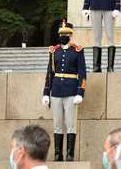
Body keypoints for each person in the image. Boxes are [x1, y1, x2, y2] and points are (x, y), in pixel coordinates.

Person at [42, 20, 86, 161]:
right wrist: (46, 93)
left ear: (70, 35)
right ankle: (58, 153)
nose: (63, 36)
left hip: (71, 91)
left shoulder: (77, 50)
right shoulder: (54, 51)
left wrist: (80, 92)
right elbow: (50, 72)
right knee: (57, 123)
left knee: (71, 123)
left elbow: (82, 72)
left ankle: (70, 154)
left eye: (66, 34)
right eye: (61, 34)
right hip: (56, 90)